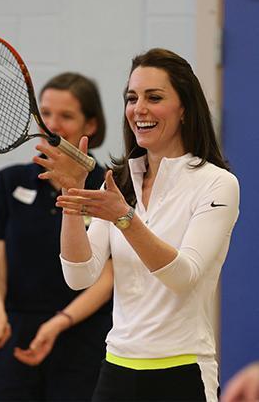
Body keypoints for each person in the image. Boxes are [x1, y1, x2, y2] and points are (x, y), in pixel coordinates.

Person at [37, 48, 239, 401]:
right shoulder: (119, 182)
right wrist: (73, 197)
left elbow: (182, 275)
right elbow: (79, 276)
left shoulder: (217, 183)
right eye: (132, 98)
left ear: (185, 109)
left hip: (183, 371)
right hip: (116, 369)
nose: (139, 109)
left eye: (154, 97)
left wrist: (125, 218)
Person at [0, 73, 112, 401]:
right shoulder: (9, 183)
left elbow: (109, 275)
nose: (53, 124)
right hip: (15, 336)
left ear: (90, 125)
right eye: (46, 113)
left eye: (66, 116)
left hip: (84, 339)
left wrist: (59, 324)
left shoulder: (110, 186)